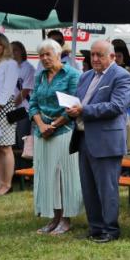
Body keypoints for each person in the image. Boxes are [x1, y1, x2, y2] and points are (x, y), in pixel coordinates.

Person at [65, 39, 130, 243]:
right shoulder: (86, 76)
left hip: (106, 140)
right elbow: (79, 101)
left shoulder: (122, 76)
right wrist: (70, 109)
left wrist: (83, 110)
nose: (94, 59)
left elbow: (117, 106)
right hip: (84, 136)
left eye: (99, 55)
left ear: (112, 57)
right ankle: (95, 227)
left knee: (107, 188)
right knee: (88, 187)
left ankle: (110, 229)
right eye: (92, 55)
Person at [28, 40, 82, 235]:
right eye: (41, 55)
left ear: (58, 54)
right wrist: (41, 125)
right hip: (42, 132)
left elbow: (74, 106)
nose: (44, 58)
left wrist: (54, 125)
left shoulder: (73, 75)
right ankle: (54, 218)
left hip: (63, 131)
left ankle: (65, 219)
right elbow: (32, 103)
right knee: (47, 176)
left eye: (47, 54)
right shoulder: (40, 76)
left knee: (63, 177)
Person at [0, 33, 19, 196]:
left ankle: (7, 184)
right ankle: (0, 183)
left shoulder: (11, 64)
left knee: (5, 146)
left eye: (0, 45)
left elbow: (8, 88)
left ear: (5, 47)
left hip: (5, 105)